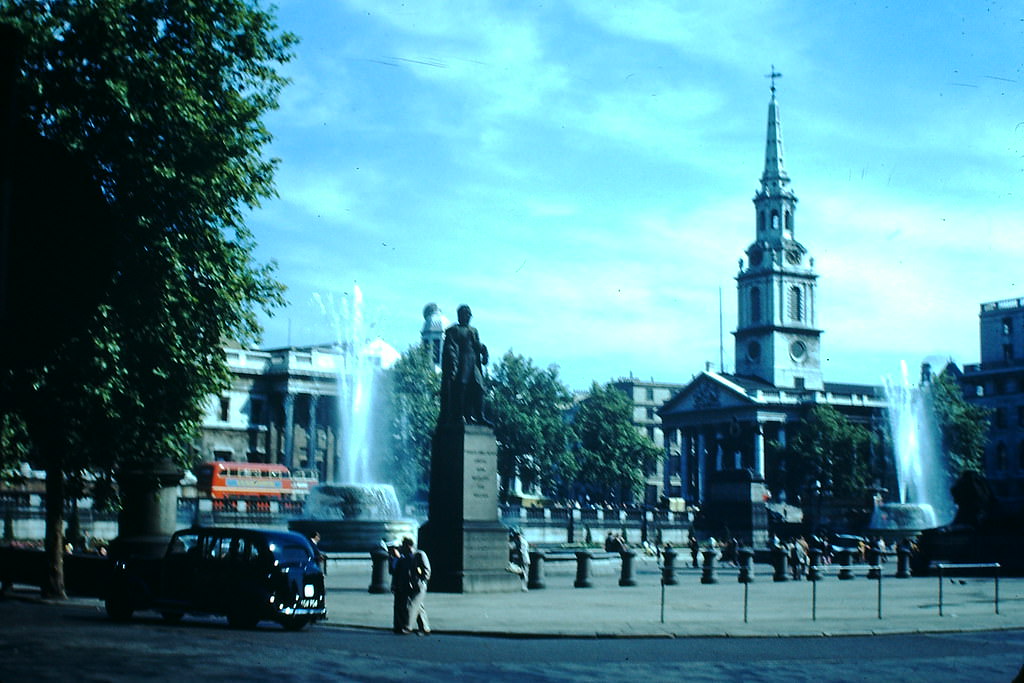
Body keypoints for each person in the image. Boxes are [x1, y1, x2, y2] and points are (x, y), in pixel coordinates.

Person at [440, 304, 491, 425]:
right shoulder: (453, 330)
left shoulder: (473, 330)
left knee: (478, 389)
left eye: (469, 315)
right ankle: (460, 415)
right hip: (462, 364)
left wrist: (484, 352)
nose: (468, 317)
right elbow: (449, 347)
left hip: (473, 364)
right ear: (460, 316)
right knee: (461, 389)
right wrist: (453, 362)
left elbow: (477, 345)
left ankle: (479, 415)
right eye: (465, 315)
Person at [391, 537, 431, 635]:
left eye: (403, 545)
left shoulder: (419, 554)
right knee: (419, 607)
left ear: (408, 546)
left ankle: (408, 627)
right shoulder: (404, 558)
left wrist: (421, 581)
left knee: (412, 606)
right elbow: (398, 572)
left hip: (419, 586)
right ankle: (425, 628)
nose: (402, 548)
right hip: (409, 586)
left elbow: (427, 570)